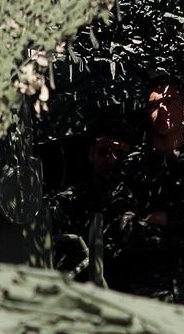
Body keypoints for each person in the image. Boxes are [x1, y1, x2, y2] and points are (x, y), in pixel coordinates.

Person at [106, 74, 184, 302]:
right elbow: (125, 227)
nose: (162, 109)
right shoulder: (132, 164)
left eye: (169, 102)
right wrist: (181, 239)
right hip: (146, 285)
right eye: (154, 104)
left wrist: (168, 220)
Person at [51, 116, 134, 284]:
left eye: (120, 153)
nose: (112, 160)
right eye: (104, 152)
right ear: (91, 155)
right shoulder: (68, 201)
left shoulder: (140, 198)